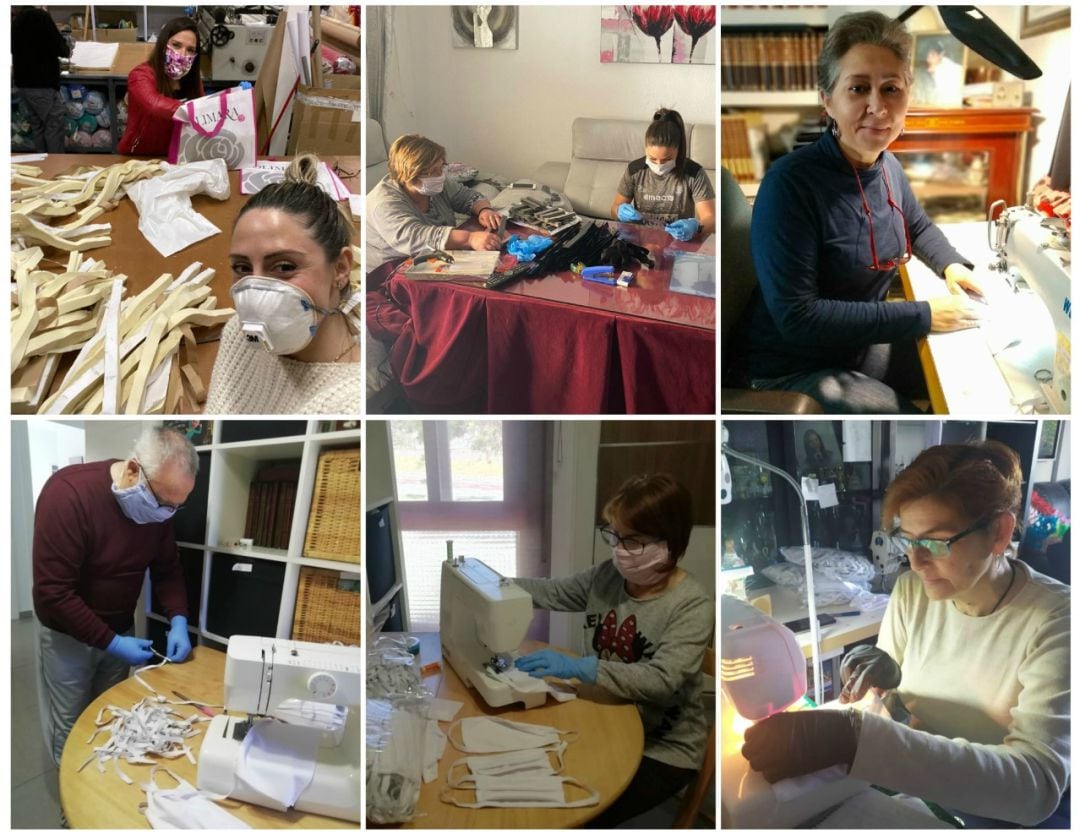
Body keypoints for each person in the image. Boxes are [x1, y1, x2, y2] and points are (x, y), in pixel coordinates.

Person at [742, 441, 1069, 827]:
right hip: (922, 791)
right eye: (909, 540)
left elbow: (1035, 788)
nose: (916, 561)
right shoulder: (913, 590)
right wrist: (882, 686)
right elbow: (891, 708)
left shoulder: (1057, 620)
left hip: (1004, 813)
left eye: (934, 542)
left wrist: (853, 738)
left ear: (999, 532)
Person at [738, 12, 984, 414]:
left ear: (909, 94)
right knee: (913, 418)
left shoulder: (888, 167)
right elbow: (798, 317)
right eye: (858, 89)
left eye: (892, 89)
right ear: (827, 100)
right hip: (790, 366)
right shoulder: (790, 185)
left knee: (969, 375)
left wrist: (952, 265)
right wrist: (922, 315)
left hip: (855, 344)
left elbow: (916, 226)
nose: (878, 107)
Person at [512, 474, 714, 828]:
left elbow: (661, 680)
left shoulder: (692, 605)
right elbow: (552, 592)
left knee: (576, 809)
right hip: (608, 715)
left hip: (664, 747)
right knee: (531, 775)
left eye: (633, 540)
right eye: (615, 534)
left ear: (669, 542)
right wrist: (489, 582)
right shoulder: (606, 576)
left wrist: (583, 668)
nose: (619, 549)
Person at [33, 427, 196, 766]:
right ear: (133, 469)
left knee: (111, 719)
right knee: (72, 724)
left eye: (175, 508)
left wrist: (178, 619)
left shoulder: (158, 507)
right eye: (163, 503)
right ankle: (70, 813)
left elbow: (167, 568)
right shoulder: (68, 494)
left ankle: (101, 797)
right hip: (68, 636)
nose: (165, 515)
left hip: (120, 629)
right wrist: (110, 642)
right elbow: (53, 593)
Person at [205, 153, 360, 414]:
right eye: (242, 268)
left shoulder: (352, 401)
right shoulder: (240, 335)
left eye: (285, 267)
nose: (257, 294)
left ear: (341, 268)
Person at [366, 134, 502, 274]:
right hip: (392, 271)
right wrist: (469, 238)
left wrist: (484, 209)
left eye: (440, 167)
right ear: (409, 175)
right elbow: (415, 237)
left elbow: (465, 196)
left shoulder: (438, 182)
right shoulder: (384, 204)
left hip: (436, 257)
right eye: (430, 172)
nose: (439, 176)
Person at [611, 108, 716, 241]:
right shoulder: (635, 170)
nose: (659, 164)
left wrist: (696, 226)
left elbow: (711, 219)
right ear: (646, 149)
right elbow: (614, 209)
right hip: (641, 241)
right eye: (653, 159)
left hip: (678, 243)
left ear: (679, 151)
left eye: (667, 159)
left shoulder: (694, 173)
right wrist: (620, 212)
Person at [117, 17, 203, 156]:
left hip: (178, 154)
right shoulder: (140, 75)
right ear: (163, 44)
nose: (182, 54)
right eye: (176, 45)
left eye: (190, 50)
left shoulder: (193, 80)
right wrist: (196, 110)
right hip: (140, 155)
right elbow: (154, 105)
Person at [12, 6, 71, 153]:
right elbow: (61, 49)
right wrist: (67, 46)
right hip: (42, 84)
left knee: (37, 126)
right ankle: (56, 167)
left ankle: (43, 164)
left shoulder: (17, 19)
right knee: (53, 126)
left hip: (23, 84)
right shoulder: (40, 17)